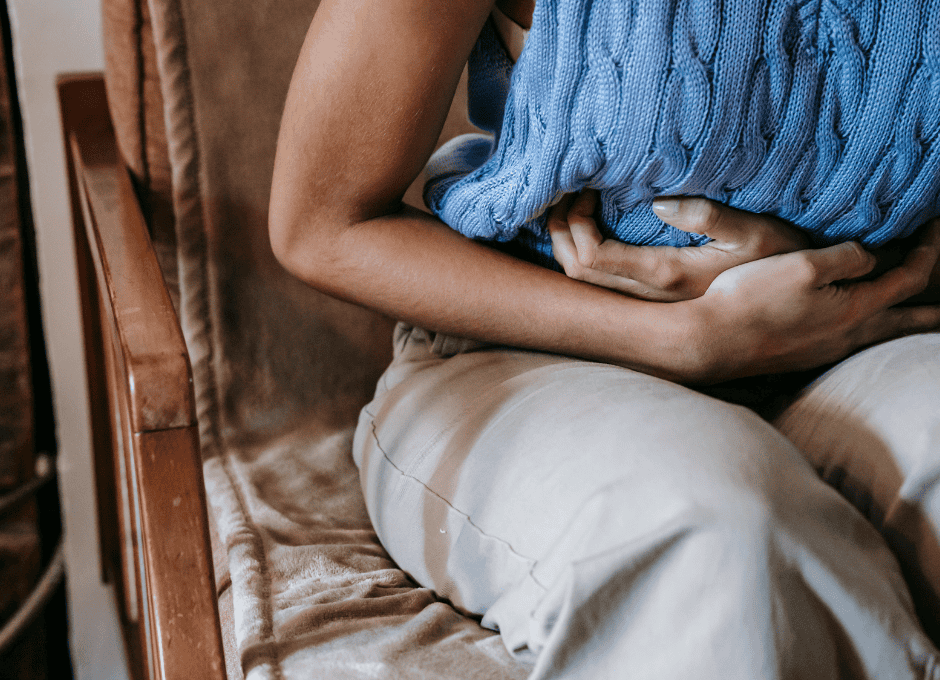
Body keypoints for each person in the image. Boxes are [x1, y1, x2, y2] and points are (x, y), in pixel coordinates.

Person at [269, 0, 940, 677]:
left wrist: (830, 269)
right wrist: (681, 337)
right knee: (718, 533)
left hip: (867, 336)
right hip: (531, 356)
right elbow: (322, 226)